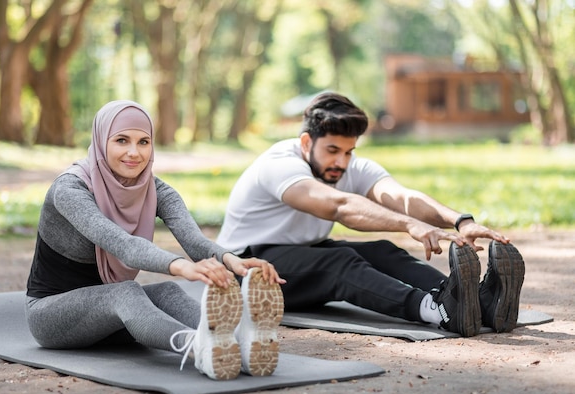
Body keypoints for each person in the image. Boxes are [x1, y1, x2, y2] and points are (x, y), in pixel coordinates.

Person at [216, 92, 525, 338]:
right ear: (306, 142)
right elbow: (338, 207)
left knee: (382, 251)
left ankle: (472, 301)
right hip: (245, 269)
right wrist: (409, 225)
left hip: (296, 256)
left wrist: (461, 221)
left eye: (349, 152)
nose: (341, 161)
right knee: (339, 263)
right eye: (333, 150)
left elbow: (402, 198)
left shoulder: (347, 165)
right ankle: (435, 311)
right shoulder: (279, 165)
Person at [25, 100, 285, 381]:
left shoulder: (155, 189)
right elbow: (123, 245)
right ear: (101, 141)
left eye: (144, 141)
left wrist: (234, 261)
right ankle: (198, 347)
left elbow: (194, 241)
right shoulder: (69, 189)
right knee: (126, 292)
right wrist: (181, 267)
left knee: (167, 293)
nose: (134, 153)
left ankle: (235, 343)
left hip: (113, 320)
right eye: (121, 140)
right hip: (52, 317)